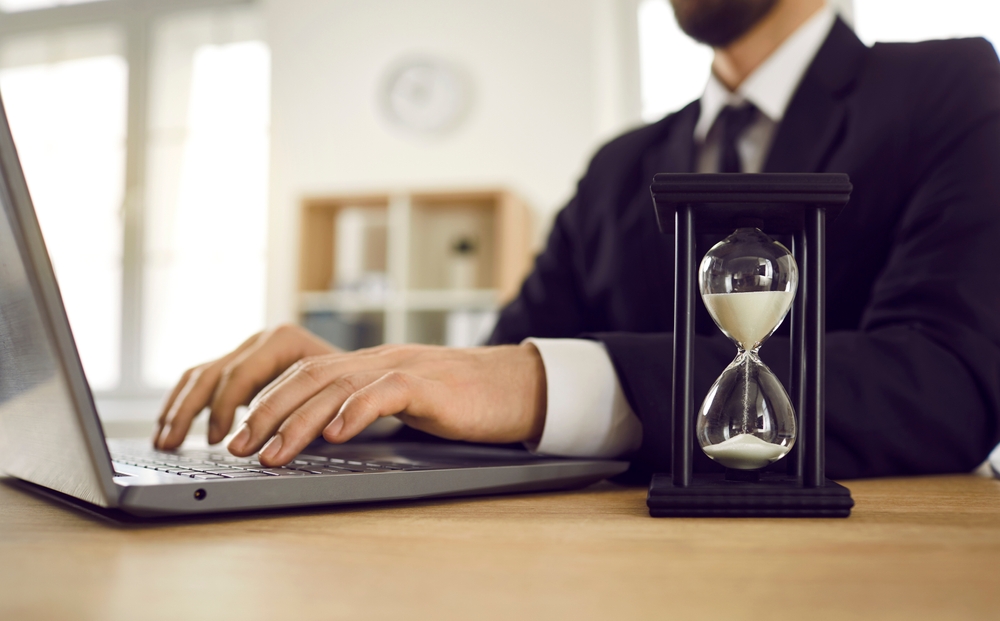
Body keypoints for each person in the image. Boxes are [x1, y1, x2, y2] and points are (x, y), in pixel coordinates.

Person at [154, 0, 1000, 481]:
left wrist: (541, 378)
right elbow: (491, 382)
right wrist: (365, 390)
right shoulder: (619, 167)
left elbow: (946, 385)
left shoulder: (949, 88)